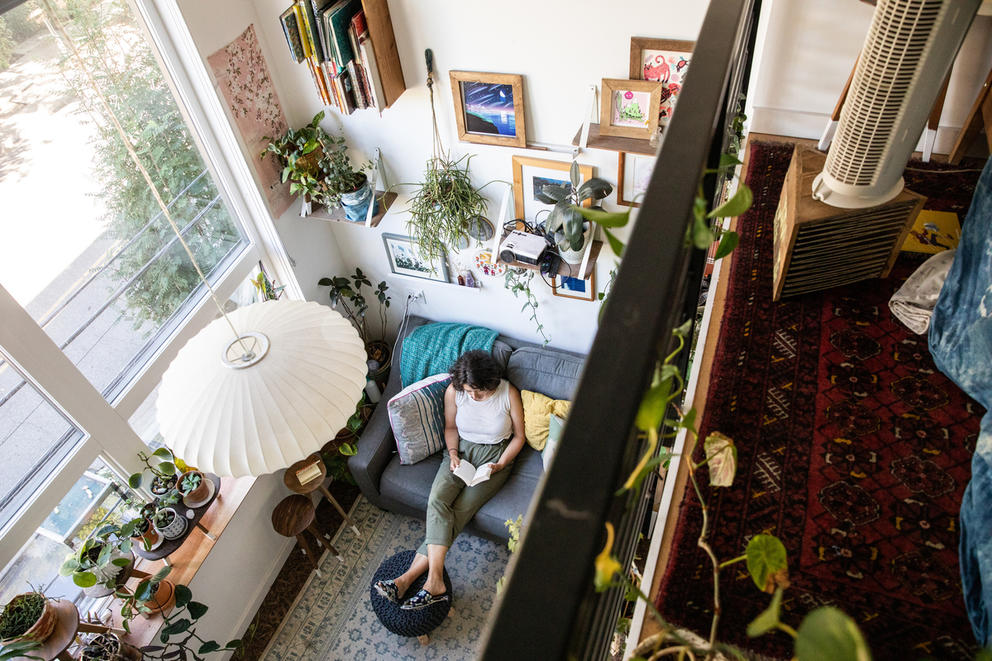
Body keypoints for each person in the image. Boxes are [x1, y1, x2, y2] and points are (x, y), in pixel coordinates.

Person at [374, 350, 526, 610]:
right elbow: (451, 428)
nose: (474, 396)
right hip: (460, 452)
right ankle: (433, 582)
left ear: (491, 381)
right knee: (437, 501)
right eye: (469, 390)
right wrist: (453, 454)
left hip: (494, 457)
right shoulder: (455, 392)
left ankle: (405, 580)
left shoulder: (507, 393)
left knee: (458, 511)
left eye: (479, 391)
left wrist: (500, 464)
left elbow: (519, 437)